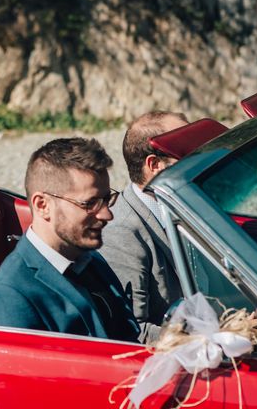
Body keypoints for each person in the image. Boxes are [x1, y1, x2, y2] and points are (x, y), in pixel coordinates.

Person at [0, 137, 140, 342]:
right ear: (43, 205)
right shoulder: (8, 297)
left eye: (106, 200)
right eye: (90, 203)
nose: (107, 215)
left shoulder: (90, 259)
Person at [101, 111, 188, 343]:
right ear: (155, 164)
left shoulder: (190, 205)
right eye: (187, 153)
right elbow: (134, 330)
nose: (199, 158)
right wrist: (210, 338)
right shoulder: (122, 232)